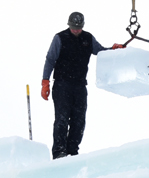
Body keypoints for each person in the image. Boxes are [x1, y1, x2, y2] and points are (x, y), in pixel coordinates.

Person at [41, 12, 125, 159]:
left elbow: (100, 51)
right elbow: (50, 59)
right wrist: (45, 82)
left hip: (79, 86)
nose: (76, 30)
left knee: (79, 120)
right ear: (69, 25)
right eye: (73, 28)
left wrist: (112, 50)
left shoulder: (88, 38)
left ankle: (72, 152)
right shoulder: (60, 38)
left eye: (78, 28)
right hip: (62, 85)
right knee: (62, 118)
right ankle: (59, 152)